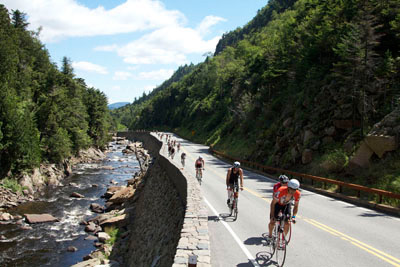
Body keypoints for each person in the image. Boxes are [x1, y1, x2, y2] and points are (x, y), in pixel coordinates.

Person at [267, 179, 301, 245]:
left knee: (287, 222)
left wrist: (293, 216)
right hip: (277, 204)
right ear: (288, 187)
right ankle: (270, 236)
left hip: (287, 205)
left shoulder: (297, 194)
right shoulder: (280, 191)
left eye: (295, 190)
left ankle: (283, 238)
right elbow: (273, 203)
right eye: (291, 189)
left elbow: (296, 206)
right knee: (272, 221)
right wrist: (272, 215)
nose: (293, 191)